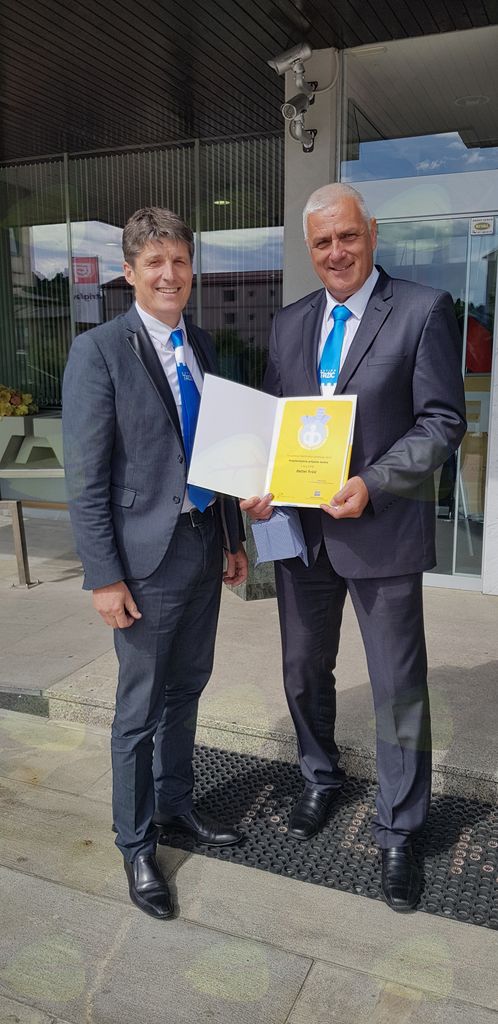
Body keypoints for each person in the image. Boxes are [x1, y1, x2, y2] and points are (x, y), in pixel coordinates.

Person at [242, 183, 466, 912]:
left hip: (382, 529)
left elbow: (441, 422)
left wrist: (373, 483)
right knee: (303, 668)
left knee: (398, 687)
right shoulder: (289, 322)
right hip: (303, 536)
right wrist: (260, 484)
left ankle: (400, 828)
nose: (336, 252)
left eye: (347, 236)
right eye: (322, 242)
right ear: (309, 249)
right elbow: (277, 422)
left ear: (371, 232)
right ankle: (319, 775)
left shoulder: (423, 310)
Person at [63, 207, 247, 920]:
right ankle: (137, 844)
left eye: (179, 261)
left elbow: (217, 449)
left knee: (188, 687)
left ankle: (176, 806)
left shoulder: (199, 343)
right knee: (139, 709)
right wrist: (103, 576)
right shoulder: (100, 351)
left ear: (191, 269)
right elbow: (87, 478)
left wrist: (231, 538)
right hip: (143, 562)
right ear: (129, 273)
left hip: (202, 544)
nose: (170, 275)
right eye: (154, 263)